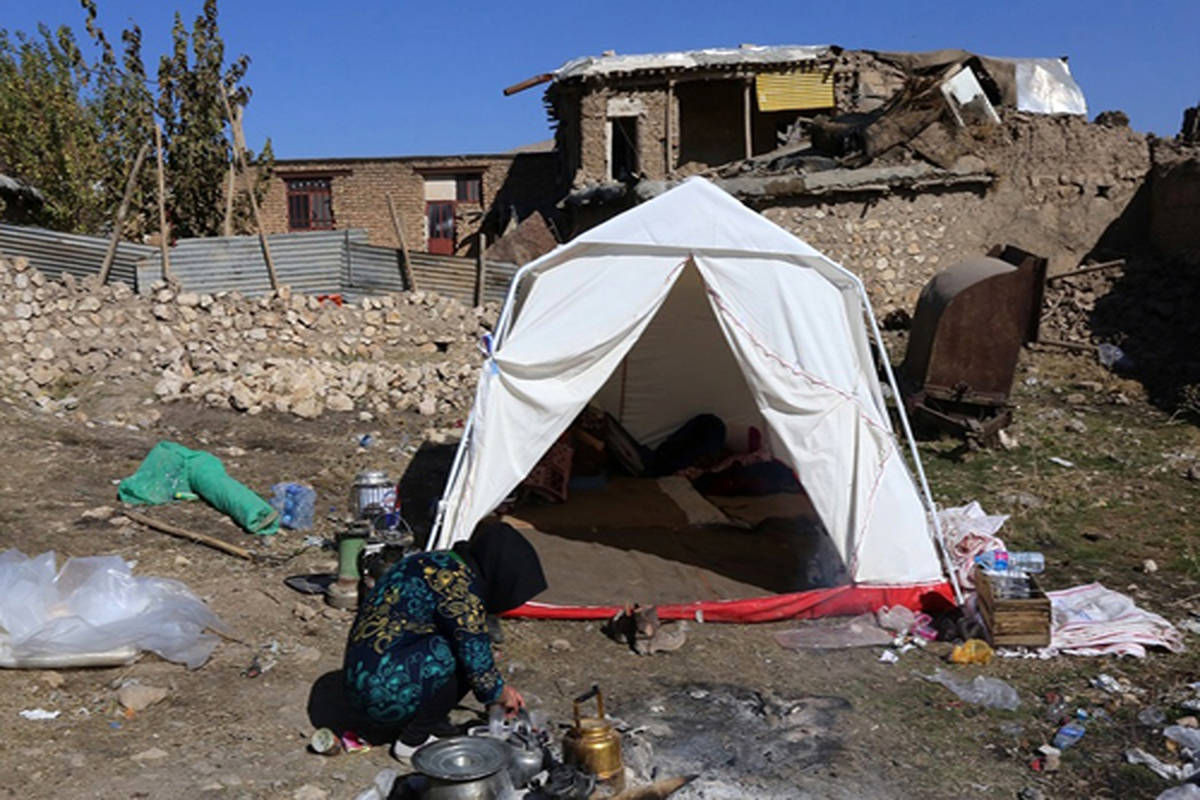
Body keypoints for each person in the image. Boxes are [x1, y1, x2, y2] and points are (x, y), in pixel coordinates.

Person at [342, 521, 547, 759]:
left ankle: (423, 719)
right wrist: (499, 694)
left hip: (359, 681)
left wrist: (495, 692)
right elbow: (478, 665)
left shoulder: (434, 561)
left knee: (464, 646)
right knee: (466, 653)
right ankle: (413, 741)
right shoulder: (462, 591)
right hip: (380, 695)